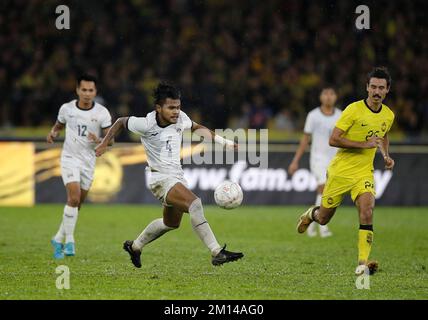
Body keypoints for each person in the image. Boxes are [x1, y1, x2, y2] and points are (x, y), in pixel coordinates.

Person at [95, 82, 244, 267]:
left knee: (171, 223)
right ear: (158, 108)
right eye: (171, 107)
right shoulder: (146, 124)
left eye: (178, 107)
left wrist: (225, 142)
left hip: (176, 176)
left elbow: (197, 127)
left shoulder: (181, 118)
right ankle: (216, 252)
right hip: (160, 178)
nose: (176, 111)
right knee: (195, 204)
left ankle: (135, 246)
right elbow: (120, 122)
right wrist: (104, 142)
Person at [296, 67, 395, 275]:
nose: (377, 91)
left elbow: (383, 135)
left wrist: (385, 155)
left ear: (387, 90)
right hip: (340, 172)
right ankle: (310, 214)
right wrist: (364, 144)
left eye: (381, 88)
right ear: (367, 88)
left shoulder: (388, 115)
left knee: (367, 211)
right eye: (373, 87)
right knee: (324, 218)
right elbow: (334, 139)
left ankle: (362, 263)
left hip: (363, 173)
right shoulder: (353, 110)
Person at [47, 74, 113, 259]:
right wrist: (53, 133)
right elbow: (58, 126)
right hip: (69, 158)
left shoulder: (101, 113)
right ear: (77, 90)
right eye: (83, 90)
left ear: (95, 92)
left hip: (88, 162)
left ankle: (58, 237)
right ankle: (69, 241)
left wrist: (100, 140)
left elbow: (111, 140)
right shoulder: (67, 109)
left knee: (77, 204)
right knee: (74, 198)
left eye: (90, 90)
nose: (87, 93)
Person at [288, 87, 341, 237]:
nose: (328, 97)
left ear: (335, 97)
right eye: (326, 94)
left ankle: (311, 220)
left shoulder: (341, 115)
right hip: (318, 158)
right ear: (320, 97)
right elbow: (305, 139)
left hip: (335, 159)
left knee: (329, 191)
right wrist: (295, 161)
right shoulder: (313, 116)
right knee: (323, 188)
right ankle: (323, 227)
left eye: (332, 93)